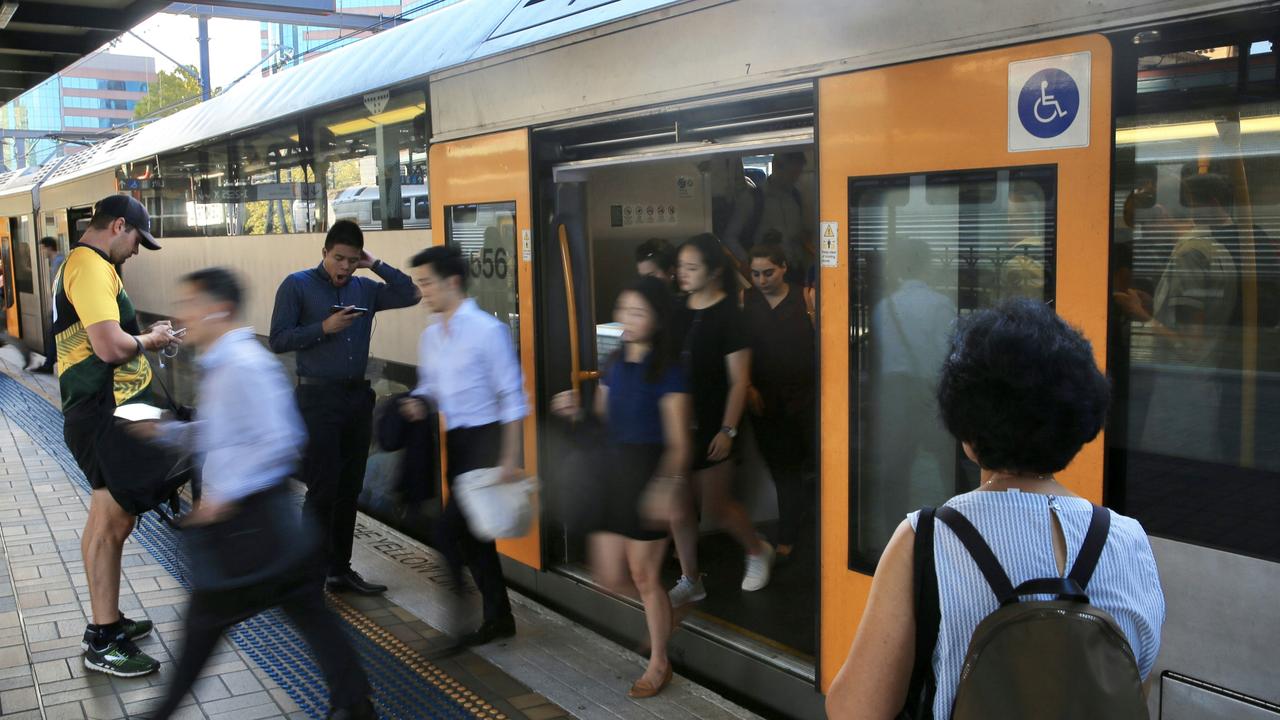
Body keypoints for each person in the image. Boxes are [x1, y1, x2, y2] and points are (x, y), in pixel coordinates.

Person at [826, 300, 1165, 719]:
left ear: (967, 431)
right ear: (1078, 425)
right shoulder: (1128, 539)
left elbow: (856, 711)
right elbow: (1135, 688)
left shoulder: (926, 539)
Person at [135, 268, 375, 720]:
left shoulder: (244, 364)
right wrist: (169, 433)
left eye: (190, 305)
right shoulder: (225, 363)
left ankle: (159, 714)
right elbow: (228, 434)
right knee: (309, 612)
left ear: (218, 310)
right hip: (266, 527)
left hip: (251, 526)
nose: (180, 314)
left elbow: (281, 439)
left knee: (204, 626)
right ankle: (356, 705)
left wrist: (224, 499)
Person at [56, 195, 180, 677]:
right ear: (120, 226)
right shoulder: (89, 267)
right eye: (136, 242)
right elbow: (109, 347)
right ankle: (104, 639)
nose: (135, 252)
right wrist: (151, 339)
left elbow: (97, 337)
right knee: (113, 526)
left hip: (96, 410)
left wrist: (143, 335)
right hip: (104, 414)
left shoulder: (83, 264)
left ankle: (103, 628)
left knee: (105, 521)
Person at [550, 276, 691, 698]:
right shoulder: (615, 364)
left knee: (644, 575)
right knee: (609, 576)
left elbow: (680, 443)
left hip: (649, 474)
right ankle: (667, 612)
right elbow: (602, 423)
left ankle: (659, 663)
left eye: (638, 312)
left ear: (658, 320)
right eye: (623, 309)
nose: (627, 319)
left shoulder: (671, 371)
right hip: (613, 474)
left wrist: (666, 486)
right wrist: (577, 412)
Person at [269, 219, 419, 595]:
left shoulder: (365, 288)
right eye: (339, 259)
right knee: (322, 489)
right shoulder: (296, 285)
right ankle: (308, 576)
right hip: (317, 398)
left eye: (353, 260)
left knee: (350, 488)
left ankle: (339, 570)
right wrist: (324, 327)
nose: (345, 267)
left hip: (356, 398)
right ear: (324, 253)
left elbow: (411, 294)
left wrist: (377, 264)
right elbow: (278, 339)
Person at [400, 245, 528, 646]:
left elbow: (513, 396)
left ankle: (459, 616)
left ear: (452, 282)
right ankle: (499, 618)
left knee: (446, 529)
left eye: (427, 283)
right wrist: (418, 403)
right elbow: (432, 388)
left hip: (487, 442)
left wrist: (510, 457)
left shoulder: (489, 332)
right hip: (455, 443)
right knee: (475, 538)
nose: (423, 292)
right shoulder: (431, 337)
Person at [668, 233, 773, 607]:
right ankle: (690, 578)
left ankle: (757, 550)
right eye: (680, 266)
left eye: (691, 267)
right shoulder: (678, 310)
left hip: (715, 424)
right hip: (679, 424)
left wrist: (728, 430)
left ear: (713, 272)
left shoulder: (730, 315)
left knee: (716, 507)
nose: (682, 273)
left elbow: (739, 381)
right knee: (678, 507)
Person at [866, 236, 957, 554]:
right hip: (930, 391)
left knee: (897, 466)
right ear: (926, 265)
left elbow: (878, 355)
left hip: (894, 393)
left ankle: (897, 535)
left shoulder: (883, 307)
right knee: (947, 464)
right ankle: (955, 529)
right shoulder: (940, 304)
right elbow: (947, 352)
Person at [742, 243, 815, 560]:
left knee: (798, 468)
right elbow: (739, 348)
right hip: (764, 400)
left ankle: (792, 533)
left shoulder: (805, 299)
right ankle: (790, 531)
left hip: (805, 398)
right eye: (755, 273)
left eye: (768, 272)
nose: (761, 280)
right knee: (780, 468)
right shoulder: (747, 301)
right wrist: (746, 384)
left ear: (784, 267)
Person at [723, 152, 811, 278]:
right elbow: (730, 237)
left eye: (798, 174)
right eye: (792, 174)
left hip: (795, 270)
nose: (795, 179)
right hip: (766, 275)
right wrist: (748, 262)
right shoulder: (752, 199)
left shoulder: (795, 197)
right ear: (776, 167)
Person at [30, 236, 64, 373]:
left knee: (53, 332)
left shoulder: (59, 261)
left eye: (43, 248)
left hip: (61, 305)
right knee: (52, 333)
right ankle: (50, 362)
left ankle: (49, 364)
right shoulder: (56, 261)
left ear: (49, 247)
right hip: (58, 304)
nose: (42, 251)